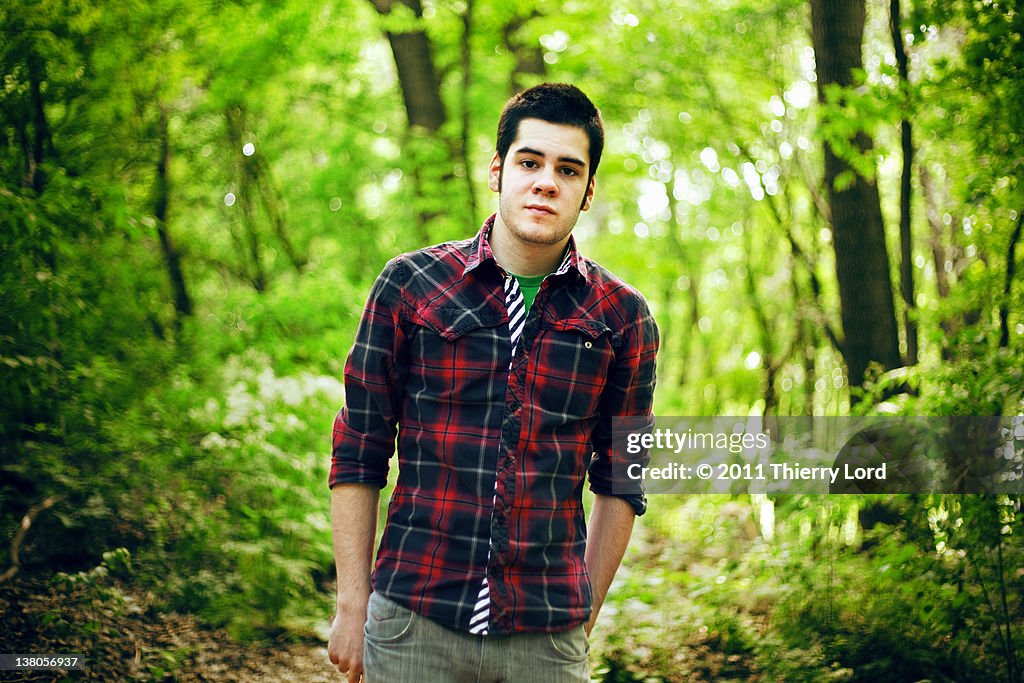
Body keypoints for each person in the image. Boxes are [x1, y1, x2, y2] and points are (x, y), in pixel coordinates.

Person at [327, 82, 659, 682]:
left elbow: (621, 478)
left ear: (587, 193)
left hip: (547, 636)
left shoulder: (623, 318)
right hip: (411, 622)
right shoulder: (410, 285)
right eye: (529, 162)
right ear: (497, 171)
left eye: (568, 169)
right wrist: (352, 604)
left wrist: (585, 611)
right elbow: (359, 448)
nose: (545, 181)